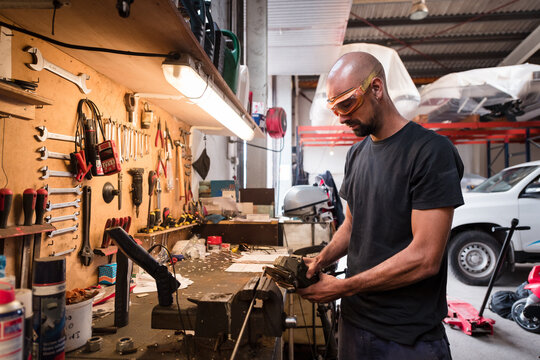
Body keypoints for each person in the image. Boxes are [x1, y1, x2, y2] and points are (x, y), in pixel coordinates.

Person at [297, 52, 464, 360]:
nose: (342, 117)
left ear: (376, 88)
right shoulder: (356, 154)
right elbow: (351, 225)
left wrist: (341, 288)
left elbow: (426, 257)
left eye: (347, 104)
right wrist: (320, 260)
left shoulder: (430, 152)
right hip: (355, 323)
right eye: (335, 109)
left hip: (407, 335)